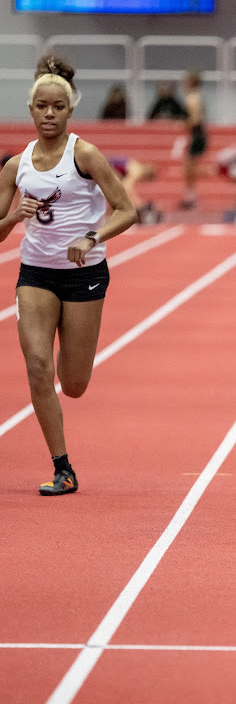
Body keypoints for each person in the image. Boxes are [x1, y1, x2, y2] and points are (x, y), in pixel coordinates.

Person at [0, 54, 138, 496]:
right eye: (42, 106)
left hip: (83, 276)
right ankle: (63, 467)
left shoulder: (86, 154)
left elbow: (127, 210)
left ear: (69, 109)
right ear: (31, 109)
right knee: (38, 367)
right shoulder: (15, 166)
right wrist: (11, 220)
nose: (49, 114)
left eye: (57, 107)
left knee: (73, 384)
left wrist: (92, 238)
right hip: (35, 274)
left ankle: (71, 358)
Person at [179, 71, 209, 209]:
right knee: (189, 168)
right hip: (198, 133)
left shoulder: (192, 98)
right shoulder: (198, 97)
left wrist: (184, 124)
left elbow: (196, 119)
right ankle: (190, 197)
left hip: (197, 133)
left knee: (189, 168)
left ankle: (190, 198)